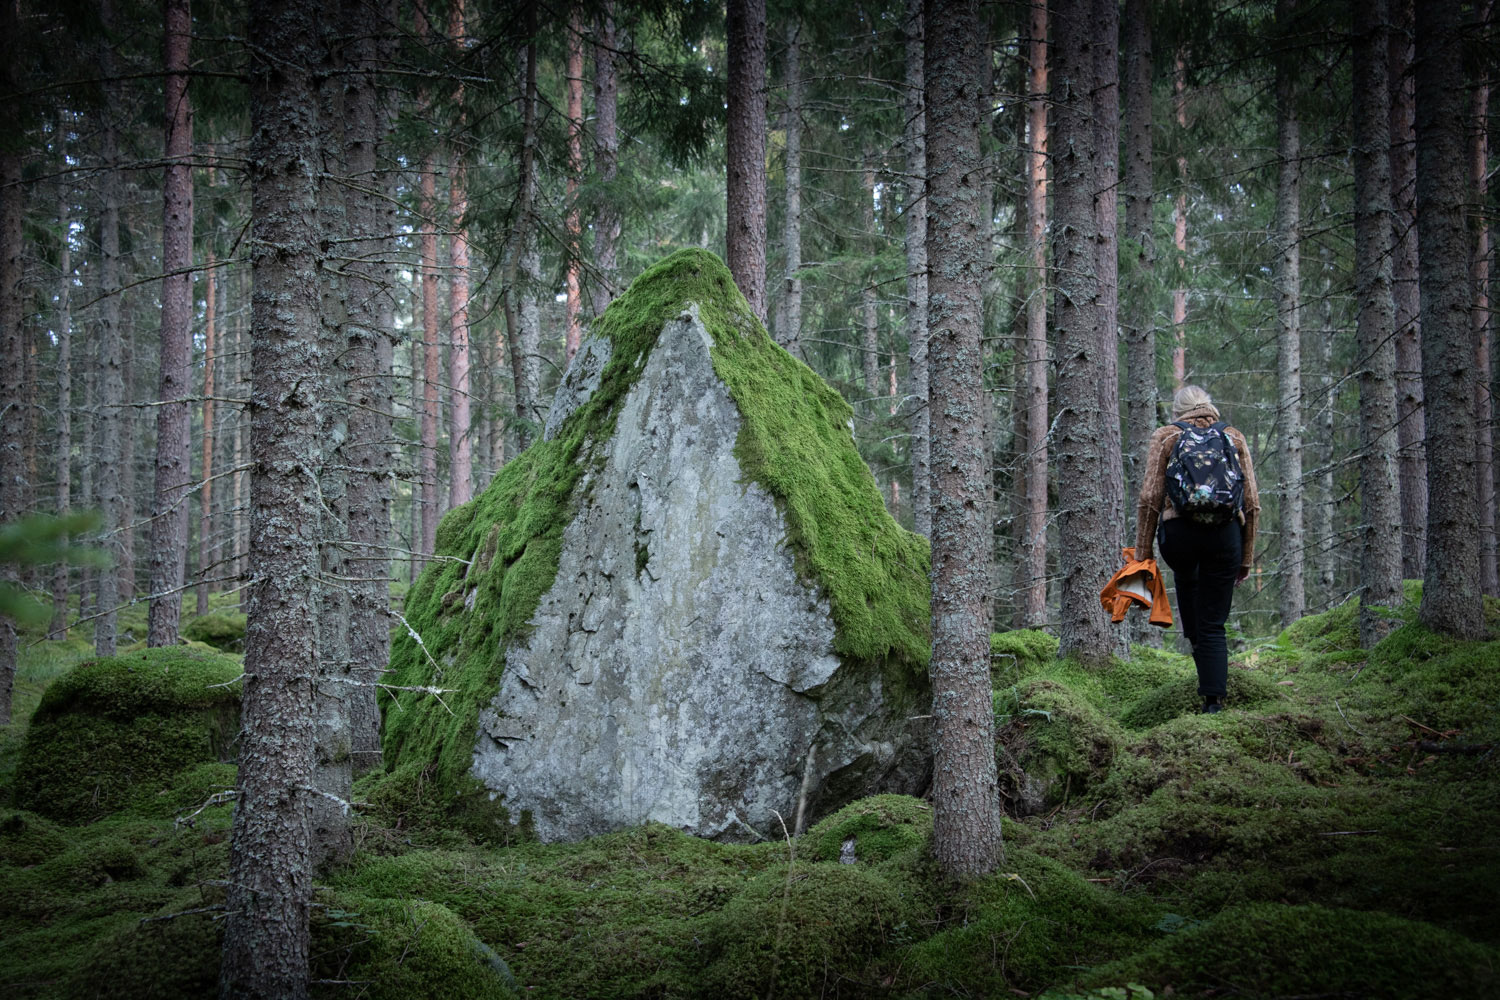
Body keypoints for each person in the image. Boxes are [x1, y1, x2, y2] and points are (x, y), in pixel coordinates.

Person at [1134, 385, 1260, 714]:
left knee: (1188, 579)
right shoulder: (1233, 437)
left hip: (1179, 535)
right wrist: (1246, 558)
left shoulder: (1166, 436)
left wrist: (1142, 554)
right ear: (1210, 407)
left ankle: (1196, 647)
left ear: (1179, 411)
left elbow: (1150, 498)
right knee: (1214, 622)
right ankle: (1213, 702)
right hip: (1226, 535)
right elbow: (1252, 504)